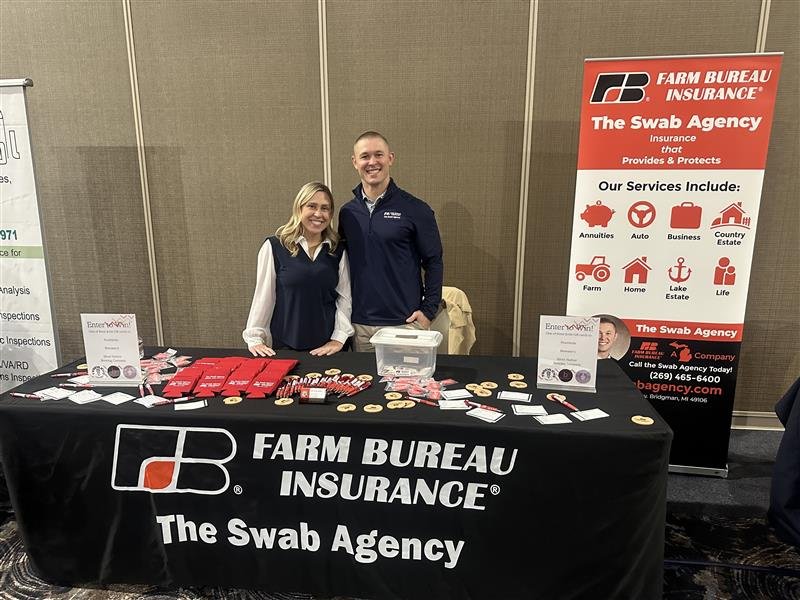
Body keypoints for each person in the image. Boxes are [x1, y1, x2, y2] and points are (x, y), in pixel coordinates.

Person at [338, 131, 443, 351]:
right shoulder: (347, 213)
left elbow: (433, 261)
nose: (372, 162)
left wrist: (428, 312)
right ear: (354, 162)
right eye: (365, 156)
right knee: (365, 385)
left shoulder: (416, 209)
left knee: (406, 387)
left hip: (403, 324)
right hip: (360, 326)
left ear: (390, 158)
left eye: (379, 155)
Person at [243, 182, 352, 356]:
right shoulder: (274, 247)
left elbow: (344, 298)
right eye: (312, 206)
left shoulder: (337, 250)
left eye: (325, 208)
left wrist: (339, 338)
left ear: (331, 214)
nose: (318, 214)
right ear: (299, 208)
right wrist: (255, 336)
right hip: (286, 346)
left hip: (329, 349)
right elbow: (264, 296)